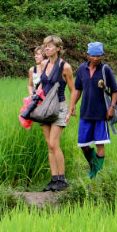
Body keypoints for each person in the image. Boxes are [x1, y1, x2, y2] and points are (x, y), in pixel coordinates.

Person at [70, 42, 117, 179]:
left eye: (99, 56)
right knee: (83, 144)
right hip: (85, 112)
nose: (96, 58)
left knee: (99, 143)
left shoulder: (106, 70)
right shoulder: (81, 69)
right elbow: (78, 89)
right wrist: (72, 104)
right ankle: (94, 166)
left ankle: (95, 173)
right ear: (87, 55)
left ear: (102, 55)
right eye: (93, 56)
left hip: (101, 113)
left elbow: (114, 91)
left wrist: (111, 108)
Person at [37, 35, 76, 192]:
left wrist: (71, 108)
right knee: (49, 145)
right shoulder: (43, 63)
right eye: (46, 46)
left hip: (59, 106)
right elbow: (40, 85)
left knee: (54, 143)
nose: (47, 48)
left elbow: (73, 90)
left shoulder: (65, 67)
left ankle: (62, 179)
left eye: (51, 46)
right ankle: (54, 179)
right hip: (44, 107)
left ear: (59, 49)